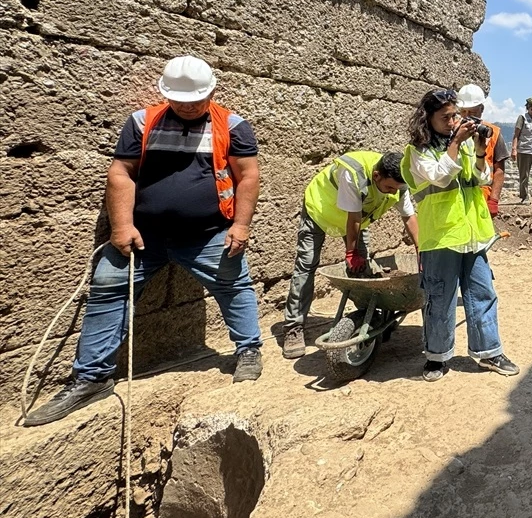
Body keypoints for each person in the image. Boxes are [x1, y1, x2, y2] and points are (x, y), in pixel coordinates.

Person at [24, 56, 264, 426]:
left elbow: (247, 176)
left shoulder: (233, 126)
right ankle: (91, 378)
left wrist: (242, 225)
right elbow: (121, 173)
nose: (187, 106)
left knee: (234, 286)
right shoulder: (142, 122)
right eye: (179, 100)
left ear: (212, 91)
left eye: (195, 100)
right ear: (164, 93)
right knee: (106, 289)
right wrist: (121, 226)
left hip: (208, 234)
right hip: (143, 235)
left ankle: (248, 351)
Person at [402, 88, 519, 382]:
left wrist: (479, 151)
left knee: (483, 293)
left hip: (472, 234)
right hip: (441, 236)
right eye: (446, 118)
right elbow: (441, 176)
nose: (453, 121)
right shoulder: (417, 152)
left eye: (455, 115)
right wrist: (456, 142)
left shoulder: (464, 144)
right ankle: (436, 357)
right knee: (440, 297)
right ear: (427, 119)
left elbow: (482, 177)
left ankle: (489, 352)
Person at [281, 151, 419, 358]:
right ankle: (294, 327)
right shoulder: (353, 173)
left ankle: (368, 318)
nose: (393, 193)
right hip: (320, 209)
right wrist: (351, 252)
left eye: (396, 188)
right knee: (307, 264)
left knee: (362, 269)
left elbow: (409, 217)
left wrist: (422, 251)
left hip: (354, 219)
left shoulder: (399, 182)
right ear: (376, 176)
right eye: (389, 187)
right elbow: (353, 216)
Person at [457, 84, 508, 217]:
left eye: (472, 112)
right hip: (458, 198)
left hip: (482, 196)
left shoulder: (493, 133)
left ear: (481, 109)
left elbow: (499, 170)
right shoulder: (453, 131)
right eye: (463, 112)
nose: (467, 117)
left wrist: (494, 200)